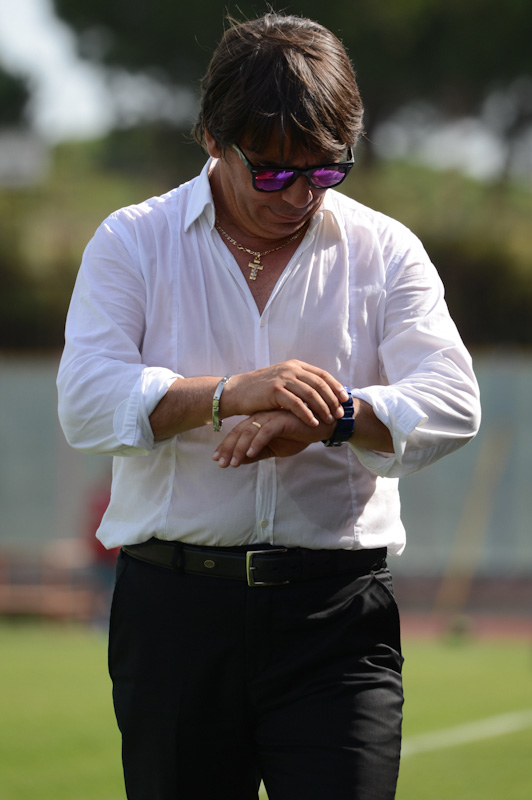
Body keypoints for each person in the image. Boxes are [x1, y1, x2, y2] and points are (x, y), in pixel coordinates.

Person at [57, 12, 481, 800]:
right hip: (175, 616)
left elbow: (453, 400)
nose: (300, 195)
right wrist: (226, 395)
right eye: (274, 173)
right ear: (212, 138)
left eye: (325, 171)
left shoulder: (386, 249)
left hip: (337, 618)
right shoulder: (132, 241)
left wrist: (336, 418)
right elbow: (84, 403)